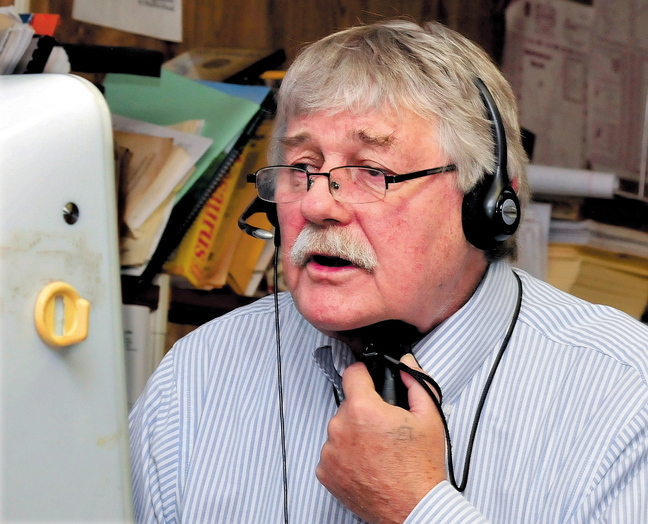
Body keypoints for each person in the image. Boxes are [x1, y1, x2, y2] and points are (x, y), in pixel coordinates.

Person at [129, 19, 648, 524]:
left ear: (488, 201)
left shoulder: (626, 398)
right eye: (302, 169)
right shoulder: (197, 376)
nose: (315, 205)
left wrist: (417, 510)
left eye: (372, 172)